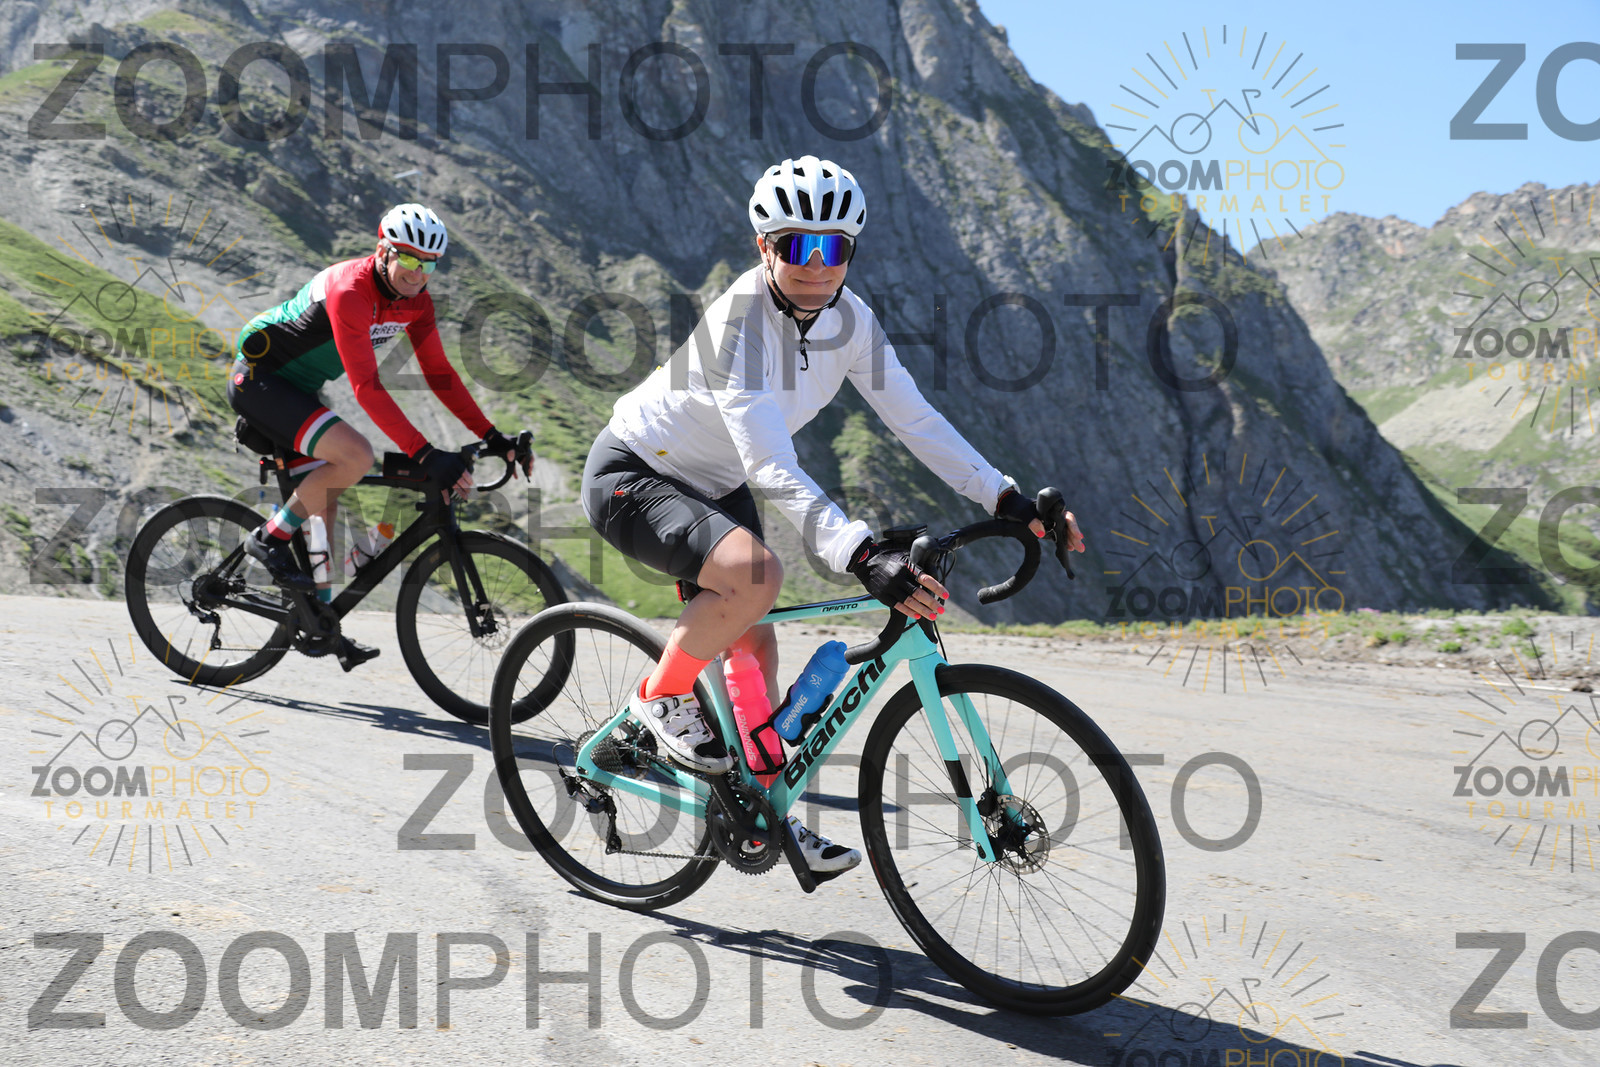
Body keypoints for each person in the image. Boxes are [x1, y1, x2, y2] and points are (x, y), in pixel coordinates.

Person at [581, 156, 1084, 880]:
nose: (817, 264)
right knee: (756, 577)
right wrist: (861, 553)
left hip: (717, 481)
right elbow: (771, 465)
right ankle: (656, 702)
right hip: (635, 472)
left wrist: (1003, 498)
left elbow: (916, 420)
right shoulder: (738, 325)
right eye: (798, 245)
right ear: (765, 247)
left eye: (835, 247)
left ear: (851, 251)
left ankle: (764, 812)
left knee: (753, 649)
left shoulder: (851, 320)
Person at [229, 203, 530, 671]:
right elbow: (366, 387)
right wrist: (425, 453)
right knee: (356, 457)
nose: (417, 273)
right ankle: (268, 539)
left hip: (300, 390)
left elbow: (439, 374)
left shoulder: (417, 301)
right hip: (260, 378)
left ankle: (321, 624)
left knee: (324, 506)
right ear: (383, 251)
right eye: (408, 259)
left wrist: (492, 436)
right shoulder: (351, 290)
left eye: (428, 264)